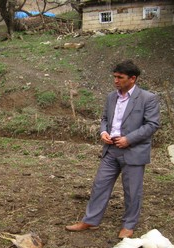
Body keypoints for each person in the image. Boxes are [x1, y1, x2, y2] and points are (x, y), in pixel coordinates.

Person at [66, 60, 160, 238]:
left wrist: (128, 139)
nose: (116, 80)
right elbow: (105, 119)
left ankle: (129, 225)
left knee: (132, 190)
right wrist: (103, 132)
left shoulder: (148, 98)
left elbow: (152, 125)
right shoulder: (111, 97)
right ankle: (90, 220)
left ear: (133, 79)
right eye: (114, 77)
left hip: (133, 151)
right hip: (110, 150)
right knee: (100, 185)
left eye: (120, 77)